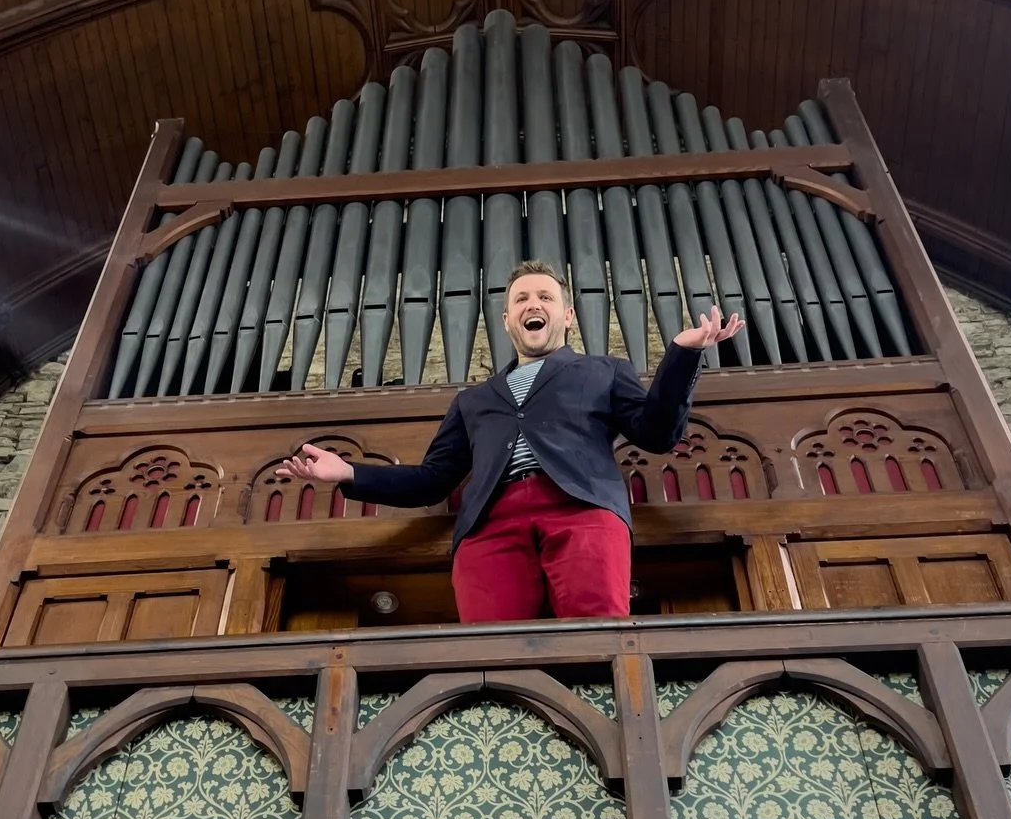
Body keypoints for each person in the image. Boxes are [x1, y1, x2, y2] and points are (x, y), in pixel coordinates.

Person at [275, 259, 745, 623]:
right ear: (507, 320)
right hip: (489, 524)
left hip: (581, 508)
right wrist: (349, 474)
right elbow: (433, 480)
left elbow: (658, 434)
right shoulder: (474, 400)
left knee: (597, 632)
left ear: (567, 314)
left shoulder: (602, 371)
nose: (532, 304)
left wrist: (683, 355)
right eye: (521, 299)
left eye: (544, 296)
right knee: (492, 649)